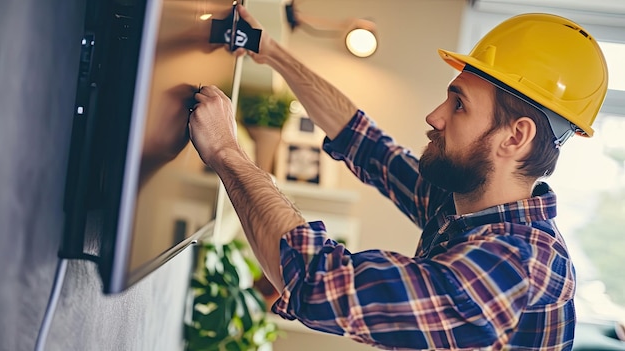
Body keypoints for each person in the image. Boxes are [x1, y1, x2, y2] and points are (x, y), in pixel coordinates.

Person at [188, 6, 608, 351]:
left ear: (515, 137)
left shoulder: (516, 265)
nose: (434, 116)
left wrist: (227, 152)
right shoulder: (467, 204)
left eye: (458, 105)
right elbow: (366, 143)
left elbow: (319, 284)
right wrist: (270, 51)